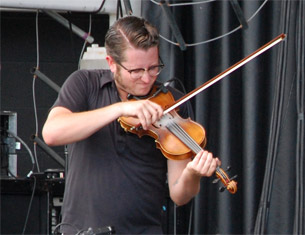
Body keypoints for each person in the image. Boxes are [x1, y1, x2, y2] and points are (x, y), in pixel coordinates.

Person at [42, 15, 219, 234]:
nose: (147, 79)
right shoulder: (84, 84)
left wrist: (192, 174)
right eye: (136, 71)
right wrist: (119, 108)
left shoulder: (173, 104)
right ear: (112, 64)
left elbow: (179, 195)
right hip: (83, 231)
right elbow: (52, 133)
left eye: (154, 67)